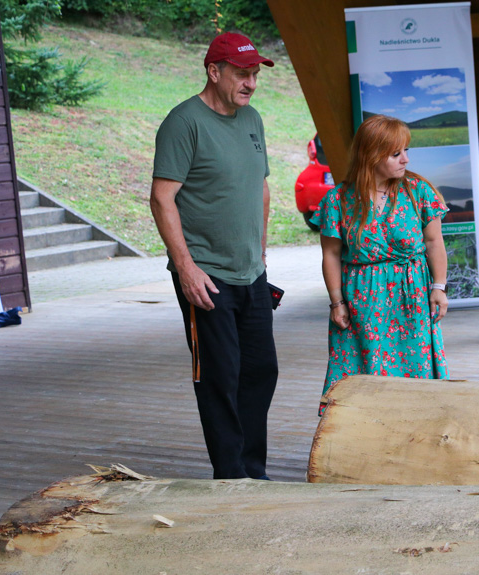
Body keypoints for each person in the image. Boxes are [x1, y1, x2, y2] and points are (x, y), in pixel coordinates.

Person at [149, 32, 278, 480]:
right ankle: (232, 477)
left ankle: (253, 472)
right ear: (214, 71)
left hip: (252, 273)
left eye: (255, 74)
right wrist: (185, 267)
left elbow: (259, 186)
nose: (251, 83)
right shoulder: (184, 122)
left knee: (261, 371)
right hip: (206, 276)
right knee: (220, 379)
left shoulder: (251, 119)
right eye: (243, 73)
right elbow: (162, 199)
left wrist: (259, 249)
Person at [312, 115, 450, 415]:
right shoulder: (338, 200)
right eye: (396, 153)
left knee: (416, 368)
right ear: (371, 155)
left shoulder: (418, 191)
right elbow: (331, 254)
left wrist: (439, 287)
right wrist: (337, 303)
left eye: (406, 151)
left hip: (411, 298)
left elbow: (433, 242)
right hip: (363, 302)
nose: (406, 159)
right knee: (362, 370)